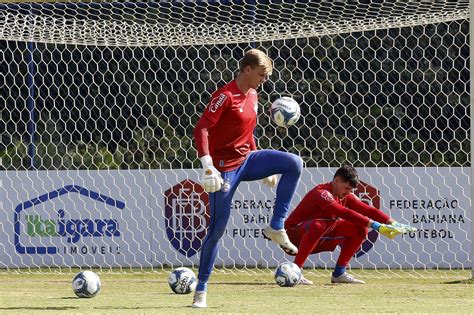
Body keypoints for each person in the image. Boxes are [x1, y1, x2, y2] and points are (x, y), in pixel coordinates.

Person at [192, 49, 303, 308]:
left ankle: (276, 226)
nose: (264, 79)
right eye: (262, 74)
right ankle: (201, 288)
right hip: (223, 168)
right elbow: (202, 128)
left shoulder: (253, 94)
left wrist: (268, 168)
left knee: (294, 163)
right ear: (247, 70)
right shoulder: (224, 95)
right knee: (218, 229)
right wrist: (207, 164)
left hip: (248, 160)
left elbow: (248, 130)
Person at [284, 165, 416, 285]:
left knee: (360, 229)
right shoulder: (322, 193)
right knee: (319, 225)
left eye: (351, 189)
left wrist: (394, 223)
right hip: (292, 237)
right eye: (346, 188)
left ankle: (339, 273)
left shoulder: (345, 196)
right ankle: (296, 271)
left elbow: (369, 210)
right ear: (337, 180)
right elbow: (343, 212)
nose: (348, 192)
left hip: (319, 236)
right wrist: (377, 226)